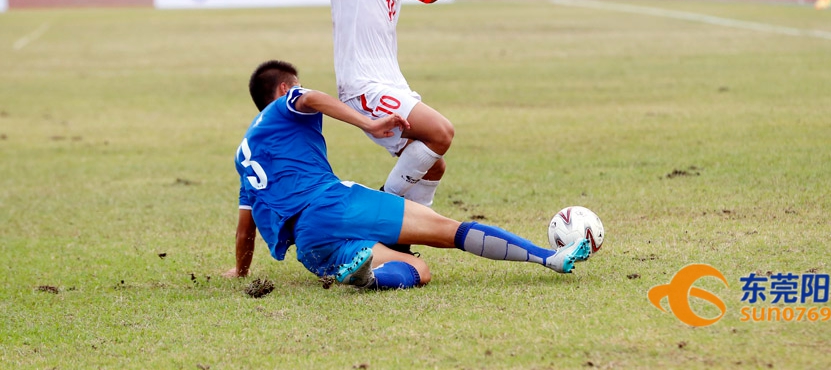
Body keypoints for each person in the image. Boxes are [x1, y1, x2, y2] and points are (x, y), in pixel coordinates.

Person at [224, 60, 592, 289]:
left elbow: (246, 228)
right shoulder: (288, 102)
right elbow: (310, 98)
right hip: (336, 203)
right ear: (286, 88)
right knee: (448, 230)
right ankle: (549, 258)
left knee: (418, 269)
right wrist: (369, 121)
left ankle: (366, 277)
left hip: (309, 245)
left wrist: (241, 272)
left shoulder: (245, 155)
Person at [281, 0, 509, 231]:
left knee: (433, 165)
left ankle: (403, 239)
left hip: (393, 84)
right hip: (363, 86)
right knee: (441, 133)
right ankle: (379, 214)